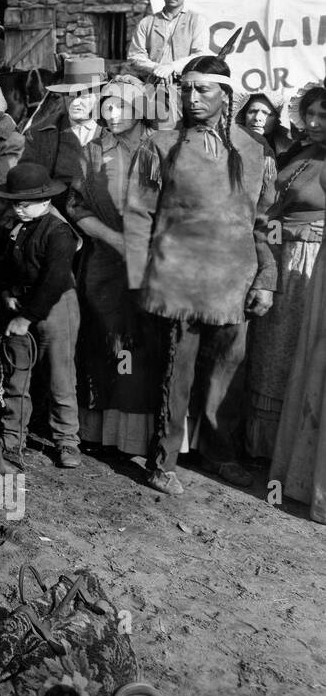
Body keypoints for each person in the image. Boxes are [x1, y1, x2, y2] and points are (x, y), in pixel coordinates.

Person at [124, 56, 276, 497]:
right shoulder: (161, 145)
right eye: (186, 90)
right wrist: (140, 279)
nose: (191, 99)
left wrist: (265, 278)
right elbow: (138, 216)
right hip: (178, 284)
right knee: (178, 372)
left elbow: (263, 223)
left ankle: (220, 453)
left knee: (228, 373)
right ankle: (162, 461)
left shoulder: (253, 151)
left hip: (234, 282)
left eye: (203, 90)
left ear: (225, 95)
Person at [67, 75, 161, 459]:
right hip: (104, 260)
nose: (113, 113)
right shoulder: (91, 151)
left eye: (122, 105)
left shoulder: (157, 149)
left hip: (150, 262)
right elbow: (76, 206)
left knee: (141, 344)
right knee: (102, 339)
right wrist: (113, 238)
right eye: (107, 105)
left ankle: (136, 436)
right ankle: (98, 430)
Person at [244, 86, 326, 464]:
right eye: (309, 114)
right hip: (279, 252)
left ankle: (285, 448)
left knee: (291, 351)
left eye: (322, 117)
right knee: (267, 347)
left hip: (309, 260)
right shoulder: (299, 151)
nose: (312, 123)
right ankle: (258, 444)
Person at [0, 163, 83, 469]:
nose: (18, 208)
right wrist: (7, 292)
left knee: (60, 374)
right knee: (17, 376)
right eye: (15, 202)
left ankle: (68, 441)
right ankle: (12, 440)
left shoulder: (60, 233)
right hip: (21, 305)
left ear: (45, 201)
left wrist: (27, 317)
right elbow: (5, 265)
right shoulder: (15, 227)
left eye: (25, 203)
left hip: (56, 306)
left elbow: (55, 279)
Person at [20, 56, 106, 213]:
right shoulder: (39, 134)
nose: (75, 103)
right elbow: (26, 185)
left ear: (99, 96)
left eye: (84, 96)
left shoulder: (118, 132)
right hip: (58, 223)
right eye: (70, 95)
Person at [126, 0, 207, 124]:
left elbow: (200, 55)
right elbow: (134, 56)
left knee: (186, 132)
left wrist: (172, 67)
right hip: (152, 87)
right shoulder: (147, 23)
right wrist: (157, 68)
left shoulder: (196, 21)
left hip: (186, 88)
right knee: (151, 130)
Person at [234, 92, 293, 159]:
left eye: (266, 113)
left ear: (277, 120)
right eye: (252, 111)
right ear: (244, 116)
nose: (257, 118)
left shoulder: (288, 154)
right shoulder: (229, 145)